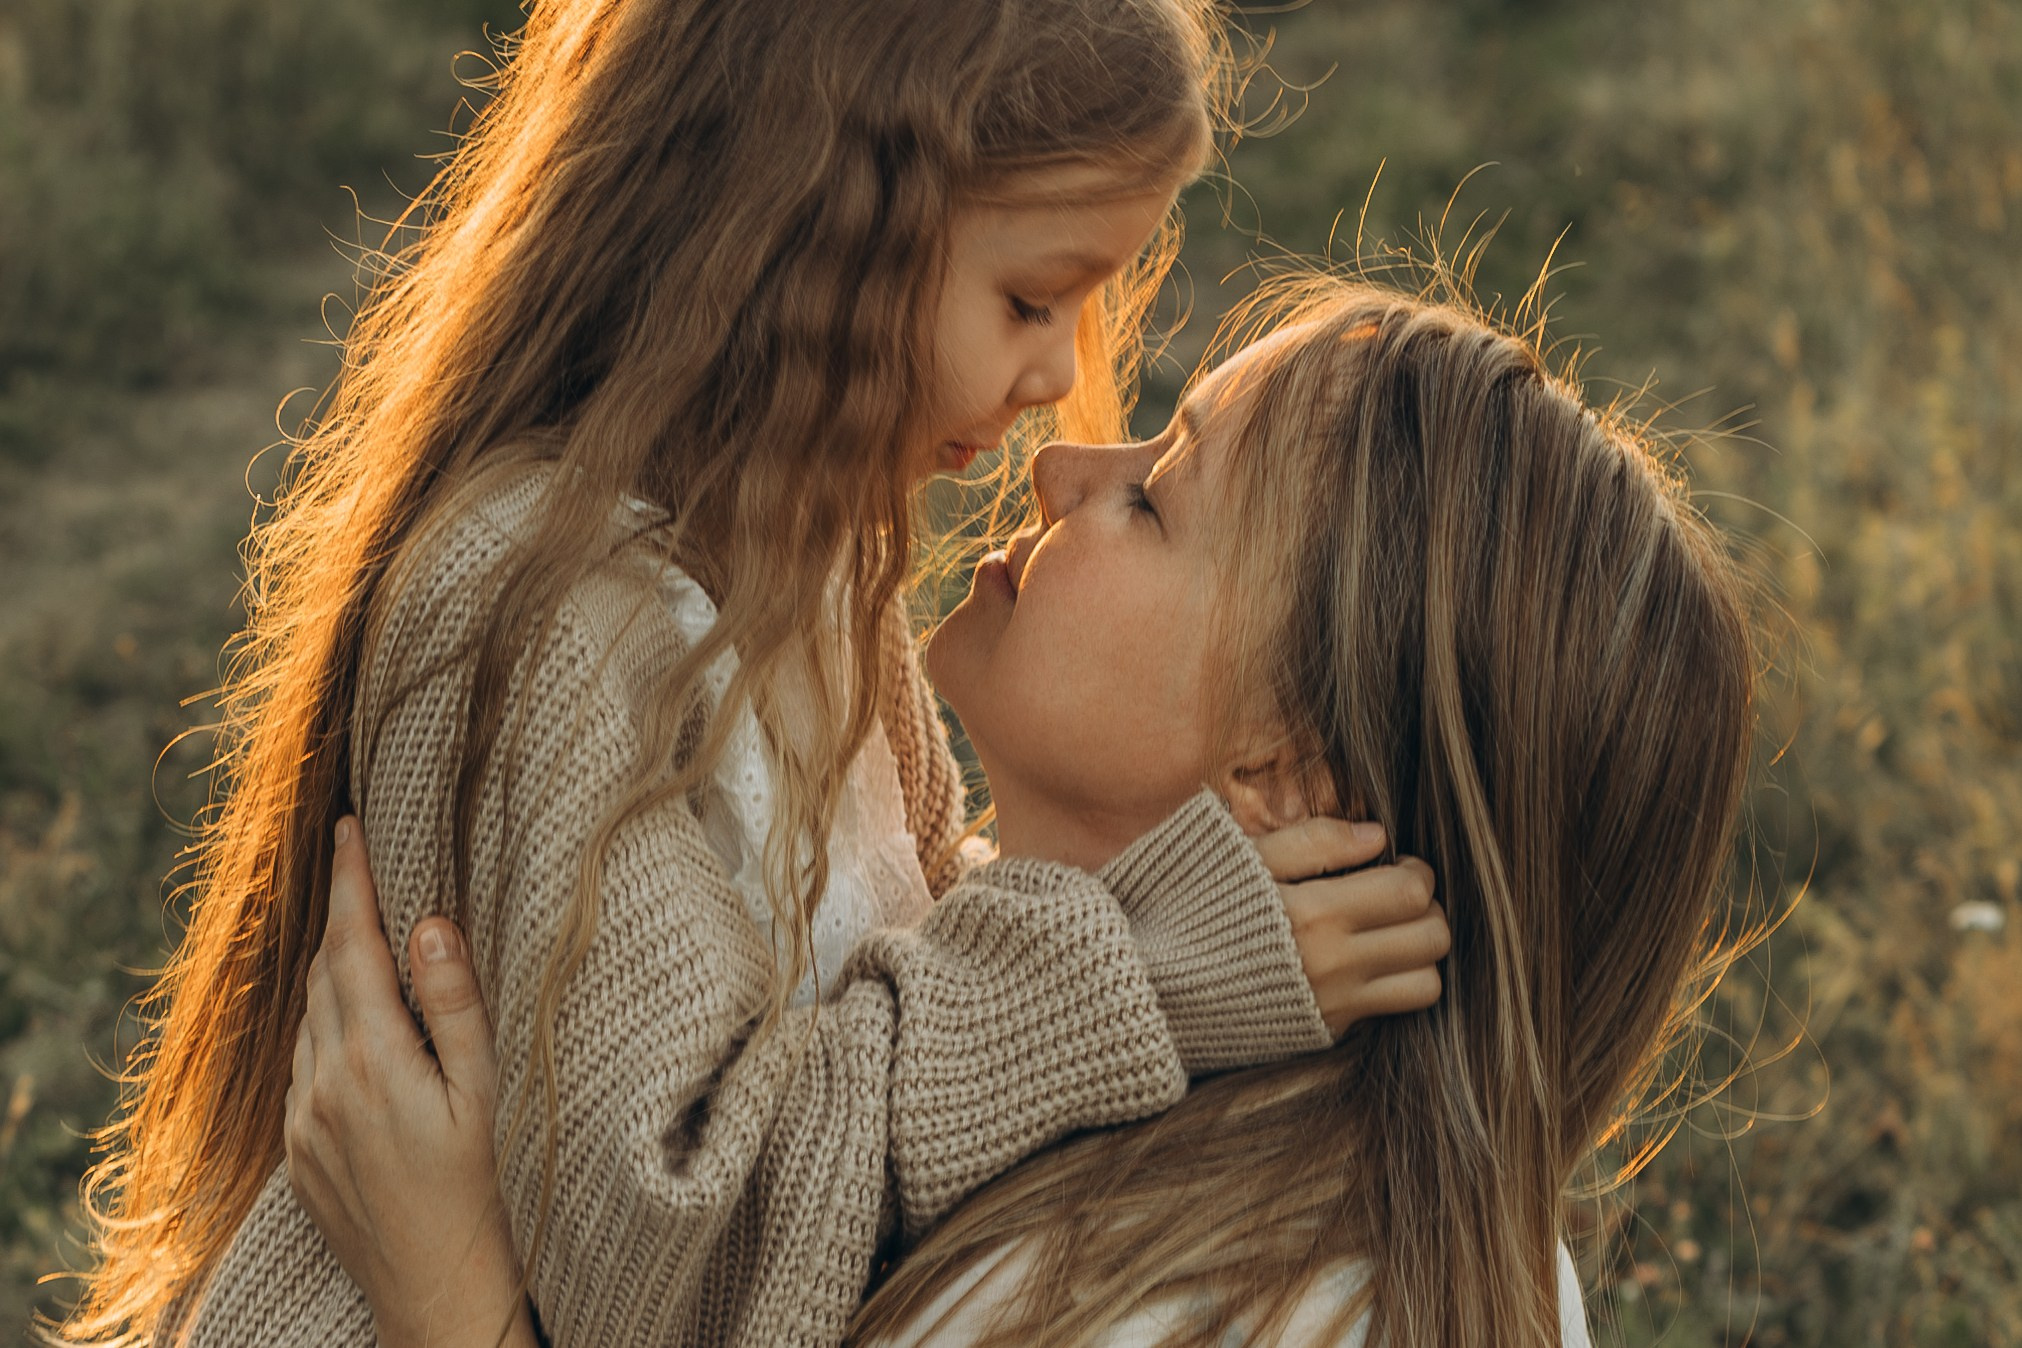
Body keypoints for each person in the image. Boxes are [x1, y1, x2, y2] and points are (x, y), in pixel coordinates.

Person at [58, 3, 1453, 1346]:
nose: (1060, 377)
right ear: (811, 236)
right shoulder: (546, 615)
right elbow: (676, 1255)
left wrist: (1167, 925)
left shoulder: (806, 579)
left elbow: (889, 957)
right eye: (1032, 298)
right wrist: (1132, 985)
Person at [283, 274, 1757, 1348]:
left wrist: (451, 1302)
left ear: (1281, 776)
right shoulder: (1409, 1236)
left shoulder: (1151, 1306)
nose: (1061, 463)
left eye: (1155, 498)